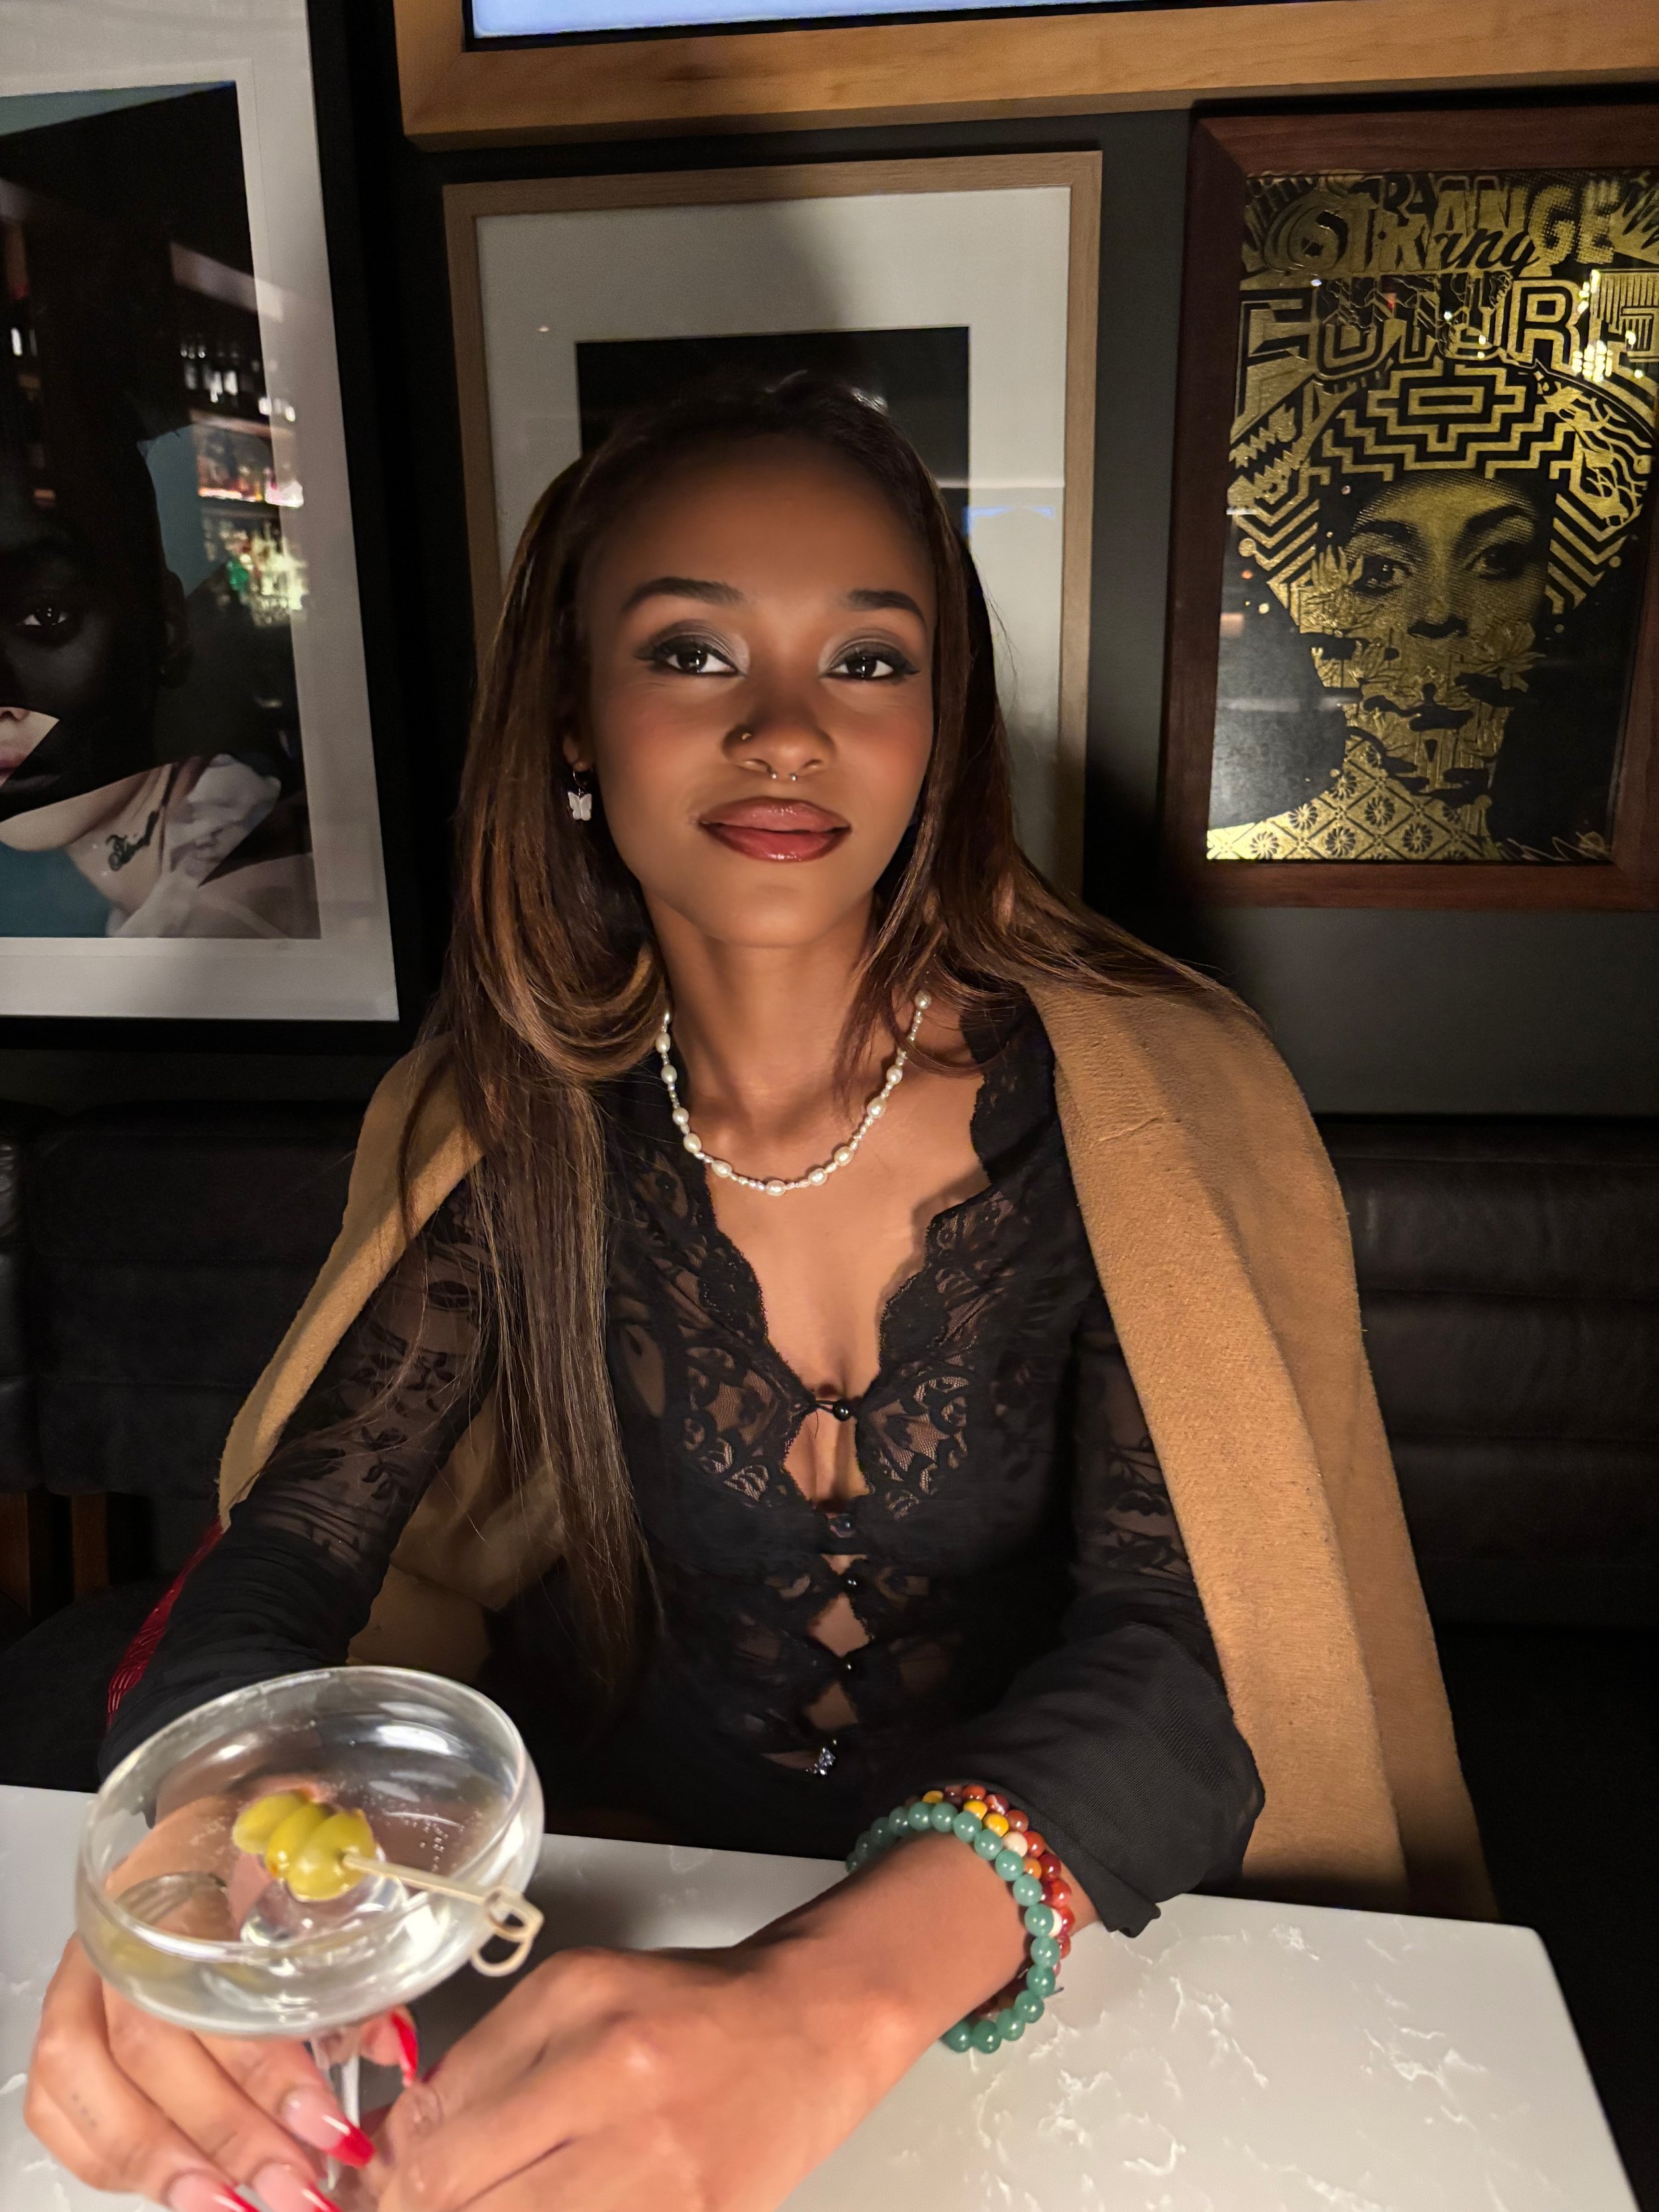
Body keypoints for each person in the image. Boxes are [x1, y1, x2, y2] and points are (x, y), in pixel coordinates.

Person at [26, 376, 1487, 2212]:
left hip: (1052, 1936)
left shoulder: (1157, 1097)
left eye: (867, 664)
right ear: (574, 712)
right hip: (605, 1910)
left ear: (939, 729)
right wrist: (199, 1847)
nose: (787, 731)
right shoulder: (510, 1125)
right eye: (694, 651)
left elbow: (1193, 1654)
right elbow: (302, 1545)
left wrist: (826, 2001)